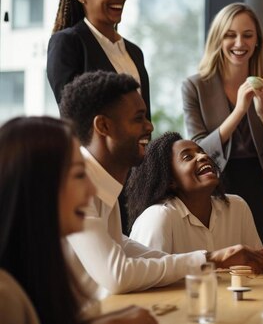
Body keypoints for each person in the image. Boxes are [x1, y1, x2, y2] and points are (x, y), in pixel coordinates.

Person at [60, 70, 263, 300]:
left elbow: (122, 247)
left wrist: (213, 258)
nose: (150, 127)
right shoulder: (71, 186)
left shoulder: (100, 183)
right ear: (103, 126)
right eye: (138, 118)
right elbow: (117, 274)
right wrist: (211, 259)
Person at [0, 116, 156, 324]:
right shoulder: (5, 297)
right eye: (79, 175)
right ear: (39, 187)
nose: (91, 189)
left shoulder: (41, 266)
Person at [47, 0, 151, 232]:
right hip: (95, 171)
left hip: (133, 171)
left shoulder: (133, 51)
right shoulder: (68, 42)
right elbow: (73, 112)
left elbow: (143, 116)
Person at [182, 2, 263, 245]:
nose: (239, 43)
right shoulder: (194, 87)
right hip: (216, 185)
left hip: (261, 186)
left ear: (257, 40)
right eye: (230, 35)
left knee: (259, 258)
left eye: (247, 35)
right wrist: (239, 111)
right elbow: (199, 149)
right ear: (218, 39)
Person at [126, 132, 263, 258]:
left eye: (202, 151)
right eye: (187, 157)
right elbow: (147, 281)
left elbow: (255, 267)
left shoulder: (237, 207)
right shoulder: (158, 217)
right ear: (170, 180)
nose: (202, 156)